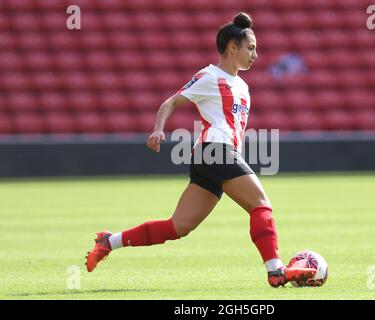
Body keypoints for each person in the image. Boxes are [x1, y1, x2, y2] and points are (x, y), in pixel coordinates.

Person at [85, 12, 316, 288]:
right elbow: (170, 102)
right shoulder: (209, 76)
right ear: (233, 48)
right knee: (260, 204)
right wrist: (159, 129)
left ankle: (109, 241)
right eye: (251, 48)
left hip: (215, 155)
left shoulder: (242, 86)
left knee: (178, 227)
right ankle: (275, 270)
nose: (256, 54)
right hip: (214, 150)